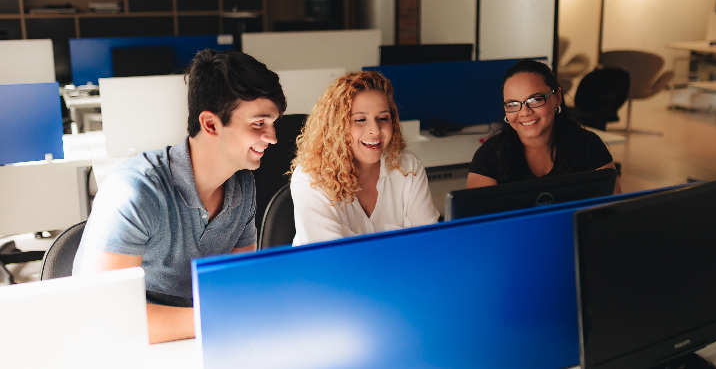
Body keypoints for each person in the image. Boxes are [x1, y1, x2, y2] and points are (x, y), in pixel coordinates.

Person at [73, 50, 286, 343]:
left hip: (198, 343)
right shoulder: (136, 191)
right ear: (210, 124)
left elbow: (239, 288)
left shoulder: (242, 186)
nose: (273, 137)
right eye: (259, 123)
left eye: (273, 123)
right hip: (130, 350)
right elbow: (106, 316)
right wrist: (223, 317)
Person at [290, 71, 439, 246]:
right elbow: (332, 262)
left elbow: (428, 242)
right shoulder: (311, 179)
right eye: (360, 119)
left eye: (383, 118)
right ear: (336, 127)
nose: (375, 130)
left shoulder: (408, 167)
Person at [467, 59, 621, 193]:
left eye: (535, 100)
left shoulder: (588, 146)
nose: (524, 112)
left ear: (558, 97)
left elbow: (611, 213)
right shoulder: (489, 157)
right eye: (513, 104)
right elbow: (480, 223)